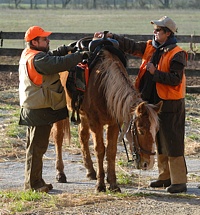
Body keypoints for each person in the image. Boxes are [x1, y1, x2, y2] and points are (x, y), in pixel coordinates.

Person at [94, 16, 188, 194]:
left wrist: (156, 73)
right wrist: (111, 35)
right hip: (151, 103)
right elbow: (130, 45)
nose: (155, 32)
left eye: (159, 30)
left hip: (170, 104)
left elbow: (175, 79)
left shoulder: (177, 53)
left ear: (168, 33)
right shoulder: (151, 47)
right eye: (155, 29)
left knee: (173, 141)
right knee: (159, 140)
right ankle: (164, 177)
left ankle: (179, 181)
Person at [19, 26, 90, 193]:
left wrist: (66, 49)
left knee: (35, 147)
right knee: (37, 148)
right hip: (40, 108)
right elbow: (58, 63)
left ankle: (35, 181)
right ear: (34, 42)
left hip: (34, 106)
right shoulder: (39, 60)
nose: (48, 40)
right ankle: (33, 185)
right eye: (44, 39)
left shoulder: (29, 54)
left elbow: (51, 56)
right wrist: (80, 55)